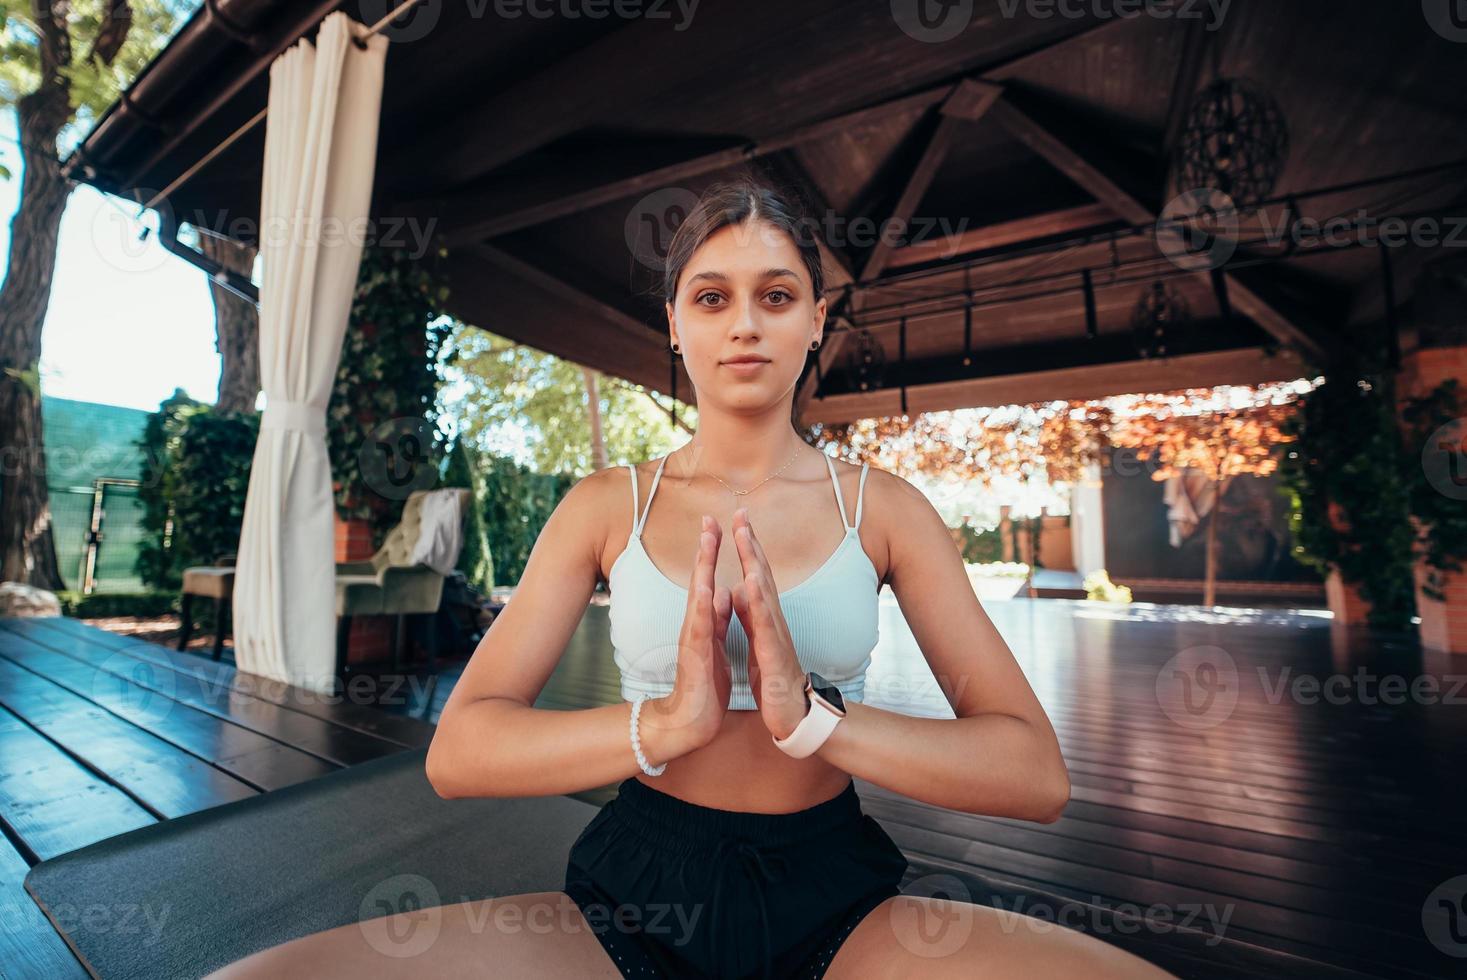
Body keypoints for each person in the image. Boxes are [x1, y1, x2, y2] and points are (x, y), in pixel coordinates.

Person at [206, 176, 1177, 979]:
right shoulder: (604, 504)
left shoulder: (882, 509)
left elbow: (1033, 772)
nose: (744, 324)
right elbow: (461, 749)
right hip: (635, 891)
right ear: (674, 323)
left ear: (815, 323)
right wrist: (664, 725)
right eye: (712, 296)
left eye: (777, 294)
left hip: (834, 895)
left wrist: (817, 720)